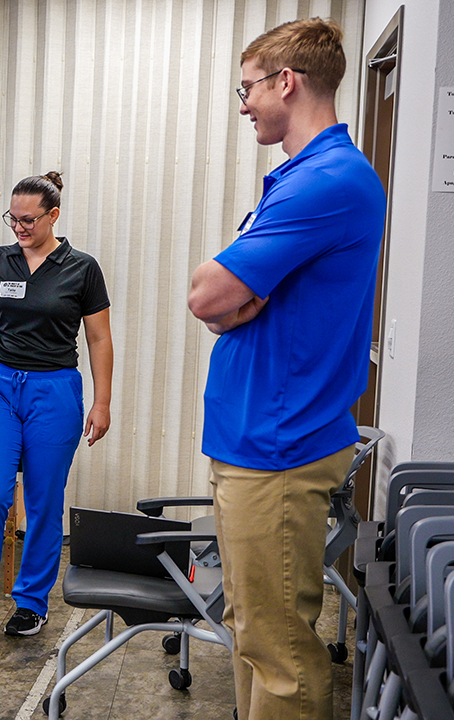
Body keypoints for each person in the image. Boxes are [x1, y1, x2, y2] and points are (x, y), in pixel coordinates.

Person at [187, 18, 384, 720]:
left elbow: (207, 294)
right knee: (252, 632)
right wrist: (239, 300)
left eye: (248, 88)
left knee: (280, 655)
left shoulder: (327, 182)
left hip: (279, 446)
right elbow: (224, 303)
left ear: (286, 82)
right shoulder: (303, 178)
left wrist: (237, 300)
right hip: (257, 440)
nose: (243, 104)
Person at [0, 173, 113, 640]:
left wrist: (102, 402)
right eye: (12, 219)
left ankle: (31, 602)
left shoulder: (82, 268)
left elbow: (99, 337)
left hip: (55, 390)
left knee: (42, 501)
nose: (18, 227)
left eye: (28, 220)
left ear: (53, 215)